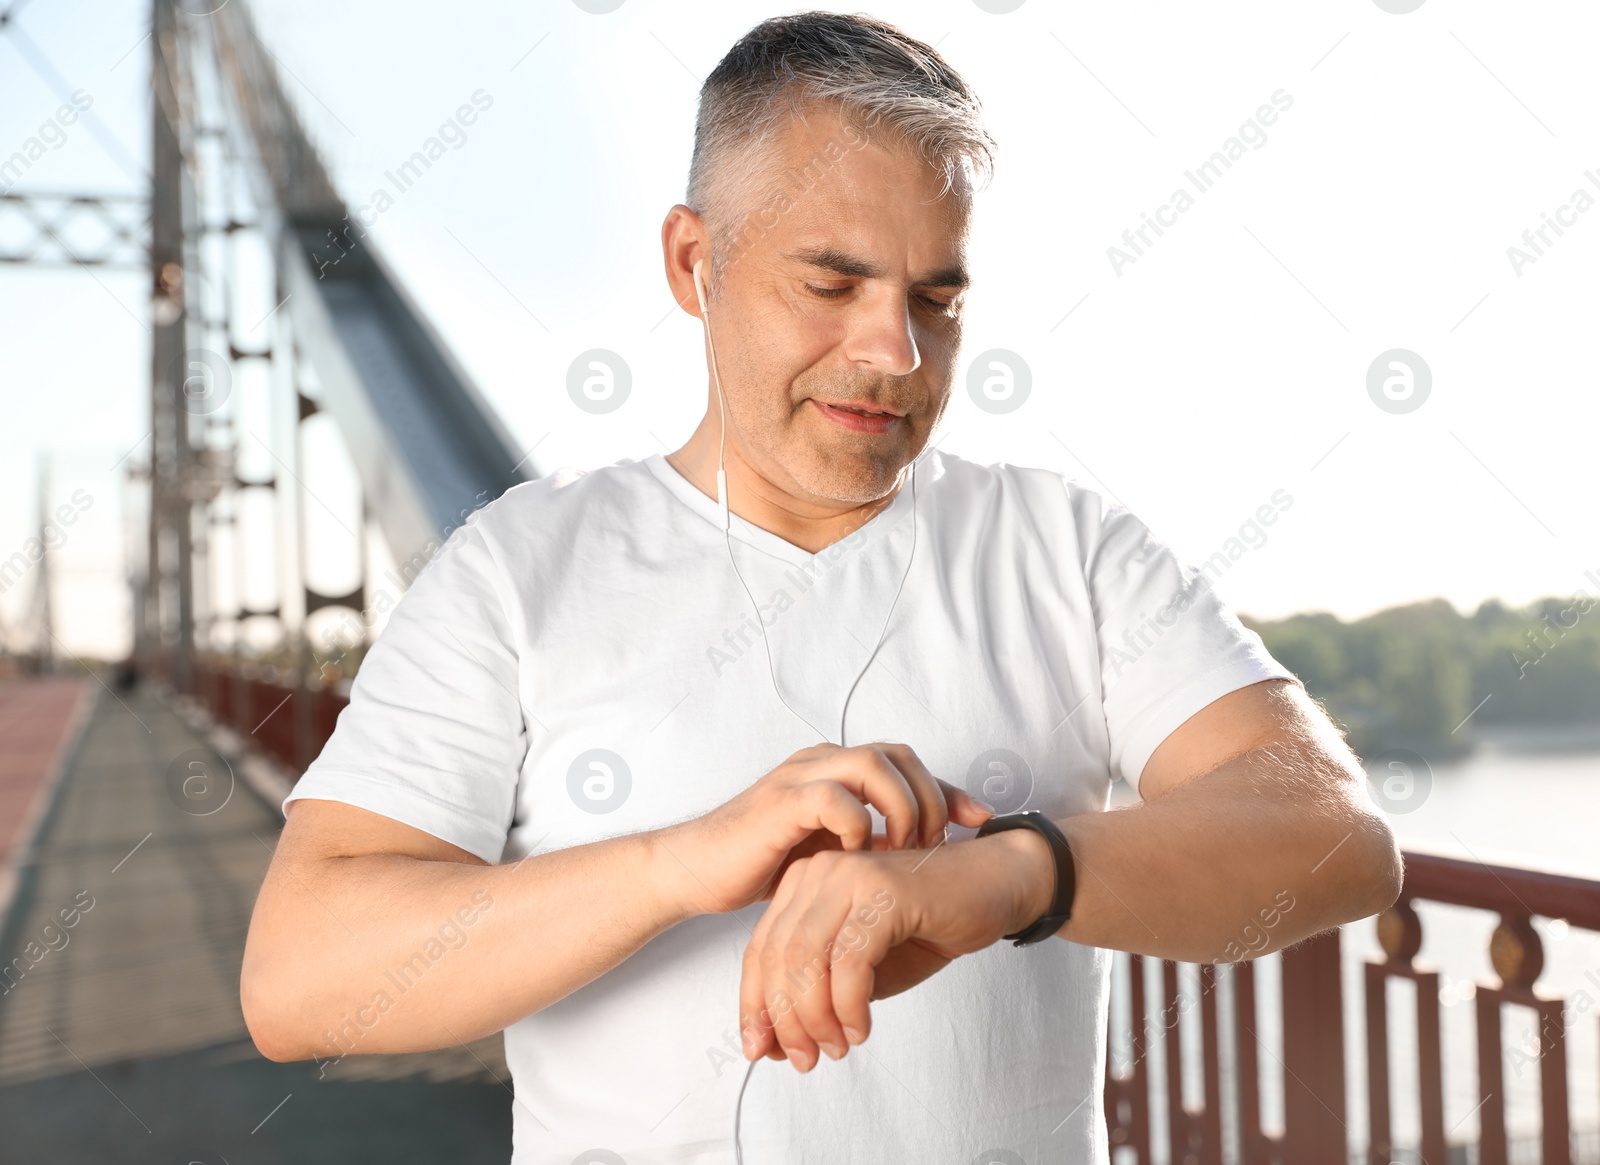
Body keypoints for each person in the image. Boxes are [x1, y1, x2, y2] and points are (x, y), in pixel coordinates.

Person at [241, 12, 1401, 1163]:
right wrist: (674, 862)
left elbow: (1335, 834)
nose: (894, 350)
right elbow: (299, 981)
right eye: (832, 283)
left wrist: (1010, 874)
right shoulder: (513, 567)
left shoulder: (1068, 545)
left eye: (936, 301)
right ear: (695, 263)